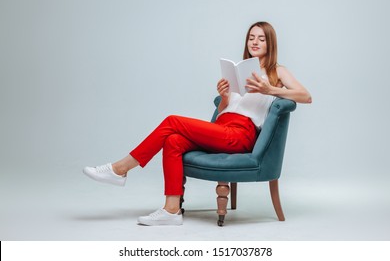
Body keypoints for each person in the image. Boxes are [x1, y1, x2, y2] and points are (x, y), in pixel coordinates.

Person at [83, 21, 312, 226]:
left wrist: (270, 89)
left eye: (261, 38)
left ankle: (119, 169)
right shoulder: (242, 70)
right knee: (173, 140)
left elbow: (306, 96)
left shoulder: (276, 71)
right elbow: (227, 109)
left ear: (270, 43)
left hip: (240, 134)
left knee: (172, 121)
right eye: (251, 37)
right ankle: (171, 210)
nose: (255, 42)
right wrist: (224, 97)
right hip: (223, 127)